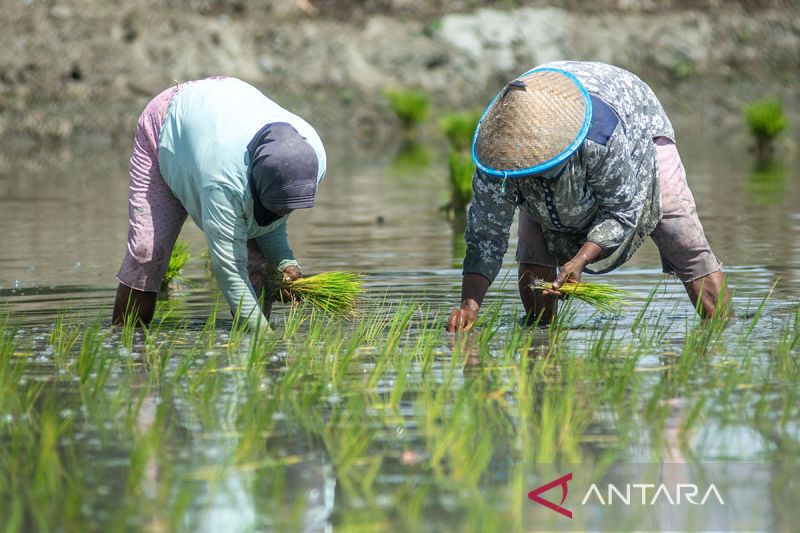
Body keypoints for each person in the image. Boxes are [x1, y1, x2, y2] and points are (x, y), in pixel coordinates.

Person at [447, 61, 731, 332]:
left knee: (682, 236)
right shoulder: (497, 156)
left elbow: (622, 211)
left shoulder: (600, 137)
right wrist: (469, 307)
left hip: (634, 120)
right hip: (543, 108)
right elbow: (486, 236)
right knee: (534, 250)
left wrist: (580, 259)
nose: (526, 175)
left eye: (533, 165)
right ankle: (542, 344)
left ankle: (721, 334)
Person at [112, 76, 326, 331]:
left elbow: (272, 219)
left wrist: (285, 263)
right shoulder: (223, 181)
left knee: (257, 265)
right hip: (166, 126)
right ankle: (124, 344)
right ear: (255, 183)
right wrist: (269, 343)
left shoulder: (311, 157)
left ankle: (252, 360)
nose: (286, 212)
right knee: (147, 253)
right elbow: (230, 271)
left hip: (221, 112)